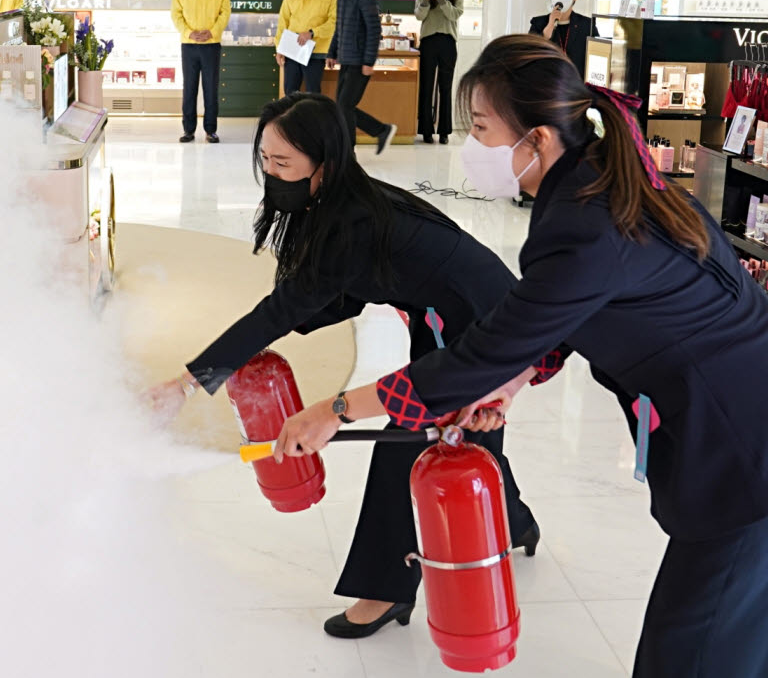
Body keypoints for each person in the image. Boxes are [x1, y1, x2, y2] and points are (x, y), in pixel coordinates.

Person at [276, 36, 768, 677]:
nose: (471, 146)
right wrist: (509, 385)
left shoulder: (584, 224)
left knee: (692, 655)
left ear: (536, 139)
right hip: (738, 428)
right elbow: (562, 318)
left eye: (480, 127)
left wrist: (338, 408)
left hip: (743, 456)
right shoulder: (600, 184)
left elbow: (473, 356)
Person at [146, 92, 540, 640]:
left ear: (324, 163)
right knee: (462, 437)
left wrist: (187, 383)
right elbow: (342, 292)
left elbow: (280, 311)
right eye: (265, 159)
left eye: (283, 163)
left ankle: (384, 590)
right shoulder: (339, 202)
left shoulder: (351, 221)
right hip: (442, 315)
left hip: (482, 326)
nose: (271, 173)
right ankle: (516, 521)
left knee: (408, 450)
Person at [327, 0, 396, 156]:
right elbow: (339, 27)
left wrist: (369, 61)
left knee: (345, 106)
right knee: (342, 107)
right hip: (345, 59)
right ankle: (381, 130)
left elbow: (374, 29)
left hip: (359, 61)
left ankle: (349, 152)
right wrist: (332, 52)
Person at [170, 0, 231, 144]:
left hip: (211, 44)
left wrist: (212, 32)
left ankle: (211, 130)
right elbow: (176, 14)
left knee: (211, 88)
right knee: (189, 88)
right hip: (189, 44)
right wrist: (189, 32)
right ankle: (188, 130)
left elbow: (225, 12)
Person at [414, 0, 463, 145]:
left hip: (448, 42)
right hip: (428, 42)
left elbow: (455, 15)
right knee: (426, 86)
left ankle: (444, 131)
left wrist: (442, 0)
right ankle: (426, 130)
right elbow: (419, 15)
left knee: (445, 86)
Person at [275, 0, 336, 96]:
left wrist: (312, 33)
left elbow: (334, 23)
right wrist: (279, 47)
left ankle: (312, 119)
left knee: (312, 93)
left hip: (316, 50)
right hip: (292, 48)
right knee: (290, 92)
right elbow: (283, 21)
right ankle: (291, 119)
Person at [529, 0, 598, 76]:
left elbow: (597, 56)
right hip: (546, 83)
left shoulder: (587, 24)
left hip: (577, 85)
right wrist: (549, 26)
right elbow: (530, 53)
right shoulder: (538, 23)